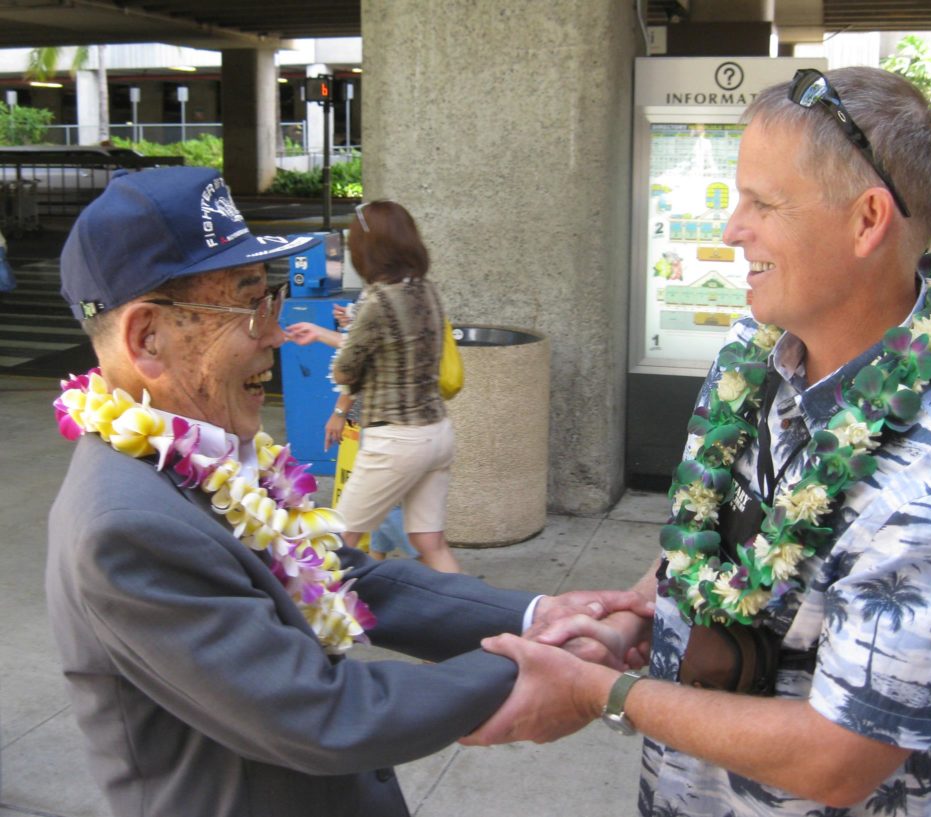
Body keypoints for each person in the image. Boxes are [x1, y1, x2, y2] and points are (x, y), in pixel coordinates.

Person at [463, 67, 931, 816]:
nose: (732, 228)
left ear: (867, 220)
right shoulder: (761, 347)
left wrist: (606, 692)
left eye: (763, 203)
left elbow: (842, 756)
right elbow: (726, 528)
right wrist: (641, 609)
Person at [46, 166, 651, 817]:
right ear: (147, 338)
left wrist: (539, 616)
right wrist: (543, 666)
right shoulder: (126, 526)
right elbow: (317, 712)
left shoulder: (205, 461)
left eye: (272, 301)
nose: (274, 337)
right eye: (251, 307)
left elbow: (347, 575)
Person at [288, 201, 459, 573]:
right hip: (437, 433)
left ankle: (312, 621)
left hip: (396, 439)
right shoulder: (426, 290)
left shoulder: (377, 299)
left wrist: (342, 343)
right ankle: (477, 624)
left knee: (337, 537)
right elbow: (398, 345)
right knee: (431, 542)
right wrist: (334, 330)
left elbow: (349, 369)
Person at [289, 297, 419, 562]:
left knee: (370, 501)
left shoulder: (386, 293)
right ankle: (376, 558)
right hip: (398, 419)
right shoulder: (405, 294)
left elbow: (361, 360)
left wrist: (339, 412)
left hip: (385, 421)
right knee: (382, 498)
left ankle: (429, 562)